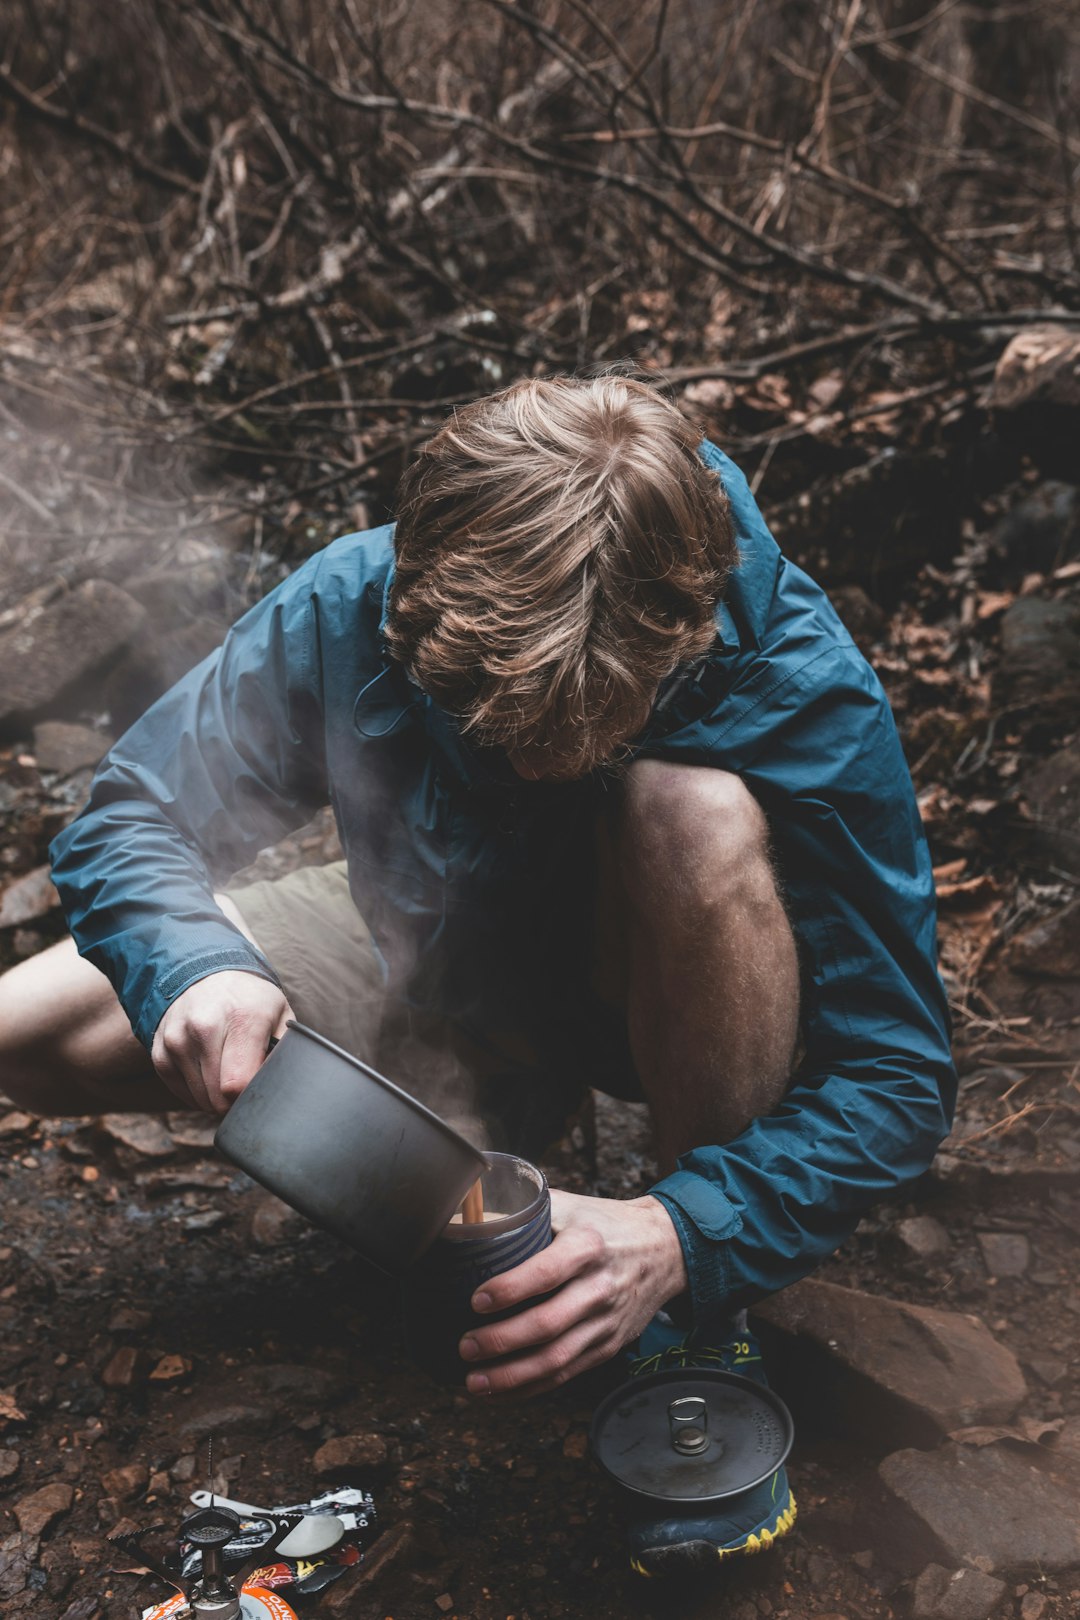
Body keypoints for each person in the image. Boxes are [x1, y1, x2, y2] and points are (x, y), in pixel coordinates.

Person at [0, 374, 955, 1573]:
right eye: (494, 726)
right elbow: (131, 812)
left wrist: (686, 1231)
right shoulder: (358, 595)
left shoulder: (794, 674)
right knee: (28, 1031)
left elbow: (899, 1071)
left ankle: (692, 1320)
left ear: (680, 642)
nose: (538, 768)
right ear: (420, 599)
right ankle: (470, 1139)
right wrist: (196, 971)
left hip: (660, 971)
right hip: (434, 949)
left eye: (581, 733)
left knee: (691, 812)